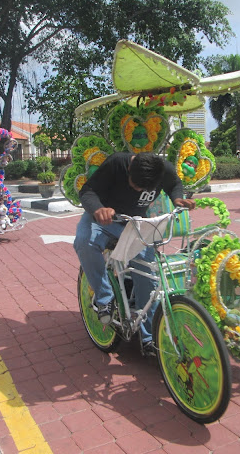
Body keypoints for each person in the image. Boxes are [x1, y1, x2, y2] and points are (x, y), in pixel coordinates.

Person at [74, 152, 196, 355]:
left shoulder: (162, 168)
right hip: (102, 221)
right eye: (134, 185)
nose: (138, 191)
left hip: (134, 223)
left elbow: (174, 184)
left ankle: (150, 338)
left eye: (143, 189)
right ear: (129, 169)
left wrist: (177, 198)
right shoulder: (116, 163)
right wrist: (98, 209)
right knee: (84, 242)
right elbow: (87, 191)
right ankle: (105, 299)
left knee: (147, 274)